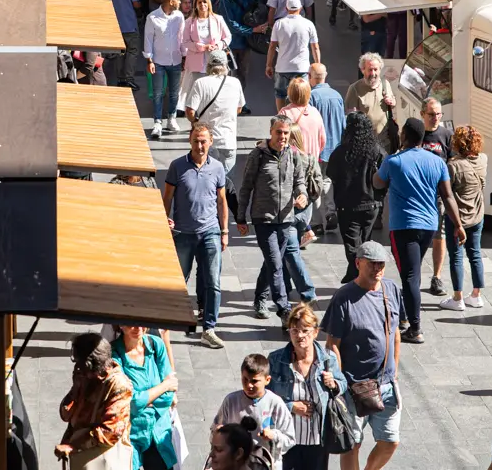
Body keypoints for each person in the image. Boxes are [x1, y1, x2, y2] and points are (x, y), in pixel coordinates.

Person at [373, 117, 465, 344]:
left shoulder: (394, 161)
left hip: (403, 226)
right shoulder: (437, 162)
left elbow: (377, 183)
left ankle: (414, 328)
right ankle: (405, 318)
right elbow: (448, 196)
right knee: (411, 272)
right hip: (428, 226)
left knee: (410, 276)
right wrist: (459, 226)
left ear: (404, 135)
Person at [322, 241, 404, 470]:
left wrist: (394, 371)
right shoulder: (343, 297)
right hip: (353, 386)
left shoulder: (392, 290)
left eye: (381, 264)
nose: (377, 269)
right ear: (358, 263)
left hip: (386, 385)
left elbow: (395, 333)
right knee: (351, 444)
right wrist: (338, 384)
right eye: (372, 264)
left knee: (390, 441)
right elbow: (332, 345)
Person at [237, 115, 313, 325]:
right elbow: (246, 187)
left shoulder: (294, 155)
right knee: (275, 263)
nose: (282, 137)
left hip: (286, 218)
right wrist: (240, 217)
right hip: (264, 219)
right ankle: (283, 309)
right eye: (279, 132)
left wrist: (302, 194)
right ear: (271, 132)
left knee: (273, 262)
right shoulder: (257, 156)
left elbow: (299, 181)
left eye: (286, 133)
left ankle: (260, 297)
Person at [162, 124, 229, 349]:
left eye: (204, 141)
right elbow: (167, 197)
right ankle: (164, 325)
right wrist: (164, 221)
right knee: (178, 281)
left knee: (213, 281)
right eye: (196, 141)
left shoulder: (218, 168)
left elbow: (221, 200)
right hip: (183, 233)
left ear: (211, 142)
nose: (200, 146)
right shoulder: (177, 166)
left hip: (210, 231)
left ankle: (209, 328)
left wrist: (224, 230)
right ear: (190, 142)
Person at [268, 304, 346, 470]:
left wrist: (334, 384)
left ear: (315, 332)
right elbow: (267, 397)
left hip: (318, 439)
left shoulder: (327, 359)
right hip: (287, 438)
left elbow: (343, 383)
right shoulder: (276, 360)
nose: (300, 335)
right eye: (294, 330)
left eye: (305, 330)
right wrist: (291, 406)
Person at [57, 333, 134, 469]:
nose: (76, 367)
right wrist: (75, 389)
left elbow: (111, 431)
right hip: (82, 457)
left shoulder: (120, 386)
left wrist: (73, 445)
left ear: (90, 363)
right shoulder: (85, 378)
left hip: (102, 459)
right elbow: (65, 415)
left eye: (78, 361)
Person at [328, 112, 386, 283]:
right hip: (371, 205)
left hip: (347, 206)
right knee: (366, 241)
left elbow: (331, 175)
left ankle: (358, 278)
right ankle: (358, 276)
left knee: (352, 246)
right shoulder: (377, 151)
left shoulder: (340, 152)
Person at [109, 326, 178, 470]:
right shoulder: (114, 355)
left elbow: (169, 396)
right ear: (121, 324)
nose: (138, 328)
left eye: (142, 323)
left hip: (158, 431)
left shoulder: (156, 344)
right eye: (131, 323)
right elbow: (130, 402)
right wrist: (164, 386)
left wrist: (144, 400)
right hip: (130, 434)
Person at [212, 354, 296, 470]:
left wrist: (273, 436)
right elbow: (215, 430)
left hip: (265, 464)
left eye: (254, 381)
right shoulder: (230, 401)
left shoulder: (276, 404)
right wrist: (217, 431)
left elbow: (290, 439)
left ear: (267, 380)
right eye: (245, 379)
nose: (249, 385)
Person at [439, 125, 489, 312]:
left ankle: (458, 297)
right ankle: (476, 295)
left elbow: (447, 193)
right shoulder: (483, 159)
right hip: (477, 215)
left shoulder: (453, 166)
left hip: (457, 219)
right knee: (475, 254)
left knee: (456, 257)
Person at [186, 50, 246, 174]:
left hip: (206, 141)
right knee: (226, 183)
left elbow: (190, 111)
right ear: (226, 65)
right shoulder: (235, 82)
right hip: (228, 141)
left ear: (208, 65)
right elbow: (239, 108)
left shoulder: (200, 83)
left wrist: (196, 122)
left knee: (206, 179)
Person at [419, 97, 453, 298]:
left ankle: (437, 276)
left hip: (438, 195)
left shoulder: (446, 135)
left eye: (439, 114)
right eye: (431, 114)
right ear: (422, 114)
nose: (435, 118)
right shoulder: (418, 134)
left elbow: (451, 162)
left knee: (440, 236)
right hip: (419, 195)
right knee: (421, 235)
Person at [215, 0, 264, 112]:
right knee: (228, 74)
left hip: (244, 44)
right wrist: (252, 30)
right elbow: (230, 25)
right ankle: (226, 103)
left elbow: (254, 11)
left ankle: (239, 104)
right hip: (230, 45)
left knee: (242, 75)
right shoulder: (224, 1)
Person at [266, 0, 320, 112]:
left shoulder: (279, 24)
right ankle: (300, 117)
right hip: (302, 68)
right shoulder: (308, 24)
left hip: (282, 68)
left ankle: (281, 117)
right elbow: (315, 47)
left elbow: (272, 46)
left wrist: (269, 65)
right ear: (300, 8)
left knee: (280, 94)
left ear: (286, 8)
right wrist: (317, 64)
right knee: (303, 95)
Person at [144, 0, 186, 138]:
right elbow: (148, 39)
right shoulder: (152, 17)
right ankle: (157, 122)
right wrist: (149, 60)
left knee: (174, 93)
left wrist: (185, 56)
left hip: (176, 60)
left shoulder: (179, 17)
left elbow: (182, 37)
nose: (180, 3)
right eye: (178, 1)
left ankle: (171, 118)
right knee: (158, 93)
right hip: (159, 61)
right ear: (171, 2)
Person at [308, 63, 344, 233]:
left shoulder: (312, 96)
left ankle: (316, 221)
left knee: (315, 181)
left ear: (310, 76)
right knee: (327, 180)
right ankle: (330, 212)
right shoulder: (337, 95)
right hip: (335, 146)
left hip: (318, 147)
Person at [179, 0, 230, 108]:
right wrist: (202, 47)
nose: (202, 4)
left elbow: (228, 37)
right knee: (199, 90)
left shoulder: (218, 19)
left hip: (214, 61)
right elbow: (185, 42)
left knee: (213, 90)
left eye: (204, 2)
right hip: (197, 63)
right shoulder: (189, 22)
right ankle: (198, 117)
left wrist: (218, 45)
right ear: (195, 5)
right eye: (199, 2)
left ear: (209, 4)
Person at [344, 52, 397, 153]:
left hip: (384, 142)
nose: (373, 73)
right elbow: (350, 118)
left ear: (380, 69)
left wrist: (392, 102)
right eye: (370, 70)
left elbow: (393, 102)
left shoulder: (385, 84)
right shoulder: (354, 89)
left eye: (375, 69)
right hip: (364, 144)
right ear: (363, 70)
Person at [109, 0, 142, 91]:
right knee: (132, 52)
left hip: (117, 24)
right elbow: (136, 4)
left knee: (120, 53)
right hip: (130, 24)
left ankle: (120, 79)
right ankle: (129, 79)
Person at [280, 78, 326, 165]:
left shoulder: (285, 112)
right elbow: (323, 140)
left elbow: (279, 139)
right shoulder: (315, 112)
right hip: (311, 163)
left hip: (292, 163)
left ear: (290, 93)